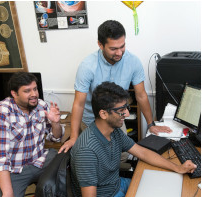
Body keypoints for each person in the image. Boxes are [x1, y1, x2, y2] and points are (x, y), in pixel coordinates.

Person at [70, 82, 196, 197]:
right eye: (121, 110)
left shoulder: (113, 131)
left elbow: (142, 152)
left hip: (118, 184)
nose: (126, 113)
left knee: (167, 194)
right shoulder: (86, 150)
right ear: (103, 114)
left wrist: (177, 167)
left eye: (126, 108)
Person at [59, 20, 171, 153]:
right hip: (91, 119)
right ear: (100, 44)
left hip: (116, 117)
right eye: (113, 49)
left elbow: (141, 95)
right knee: (94, 155)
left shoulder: (133, 62)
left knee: (121, 155)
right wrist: (73, 137)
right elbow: (79, 104)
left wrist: (151, 124)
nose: (119, 53)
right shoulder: (87, 66)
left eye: (122, 46)